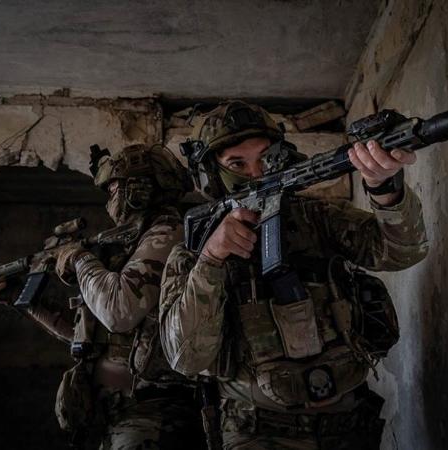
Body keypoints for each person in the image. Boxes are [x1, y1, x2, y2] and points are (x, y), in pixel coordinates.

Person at [159, 102, 429, 449]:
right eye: (237, 164)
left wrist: (383, 187)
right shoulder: (192, 255)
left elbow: (401, 251)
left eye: (265, 158)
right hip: (257, 430)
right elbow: (186, 357)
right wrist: (211, 259)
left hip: (349, 422)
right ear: (210, 174)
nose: (256, 173)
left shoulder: (316, 217)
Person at [0, 143, 204, 450]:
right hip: (115, 414)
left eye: (113, 188)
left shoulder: (168, 231)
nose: (110, 199)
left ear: (138, 188)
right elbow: (91, 335)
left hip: (154, 414)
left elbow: (120, 311)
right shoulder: (132, 242)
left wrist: (78, 259)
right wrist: (25, 300)